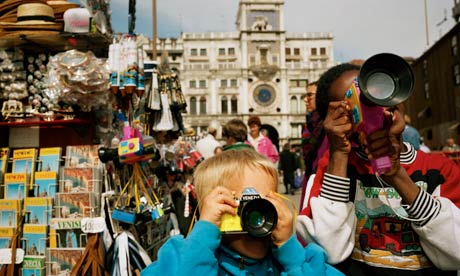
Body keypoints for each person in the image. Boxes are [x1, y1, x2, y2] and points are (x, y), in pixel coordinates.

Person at [296, 63, 460, 275]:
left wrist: (398, 176)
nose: (376, 105)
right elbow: (330, 251)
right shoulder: (334, 168)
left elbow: (456, 252)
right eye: (358, 103)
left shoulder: (439, 169)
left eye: (378, 91)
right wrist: (338, 153)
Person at [141, 149, 342, 275]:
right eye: (242, 206)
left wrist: (291, 253)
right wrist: (203, 235)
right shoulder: (182, 258)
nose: (258, 218)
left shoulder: (300, 262)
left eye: (266, 205)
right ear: (211, 212)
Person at [300, 81, 327, 209]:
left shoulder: (329, 125)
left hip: (323, 187)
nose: (305, 99)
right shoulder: (309, 124)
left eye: (309, 95)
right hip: (310, 179)